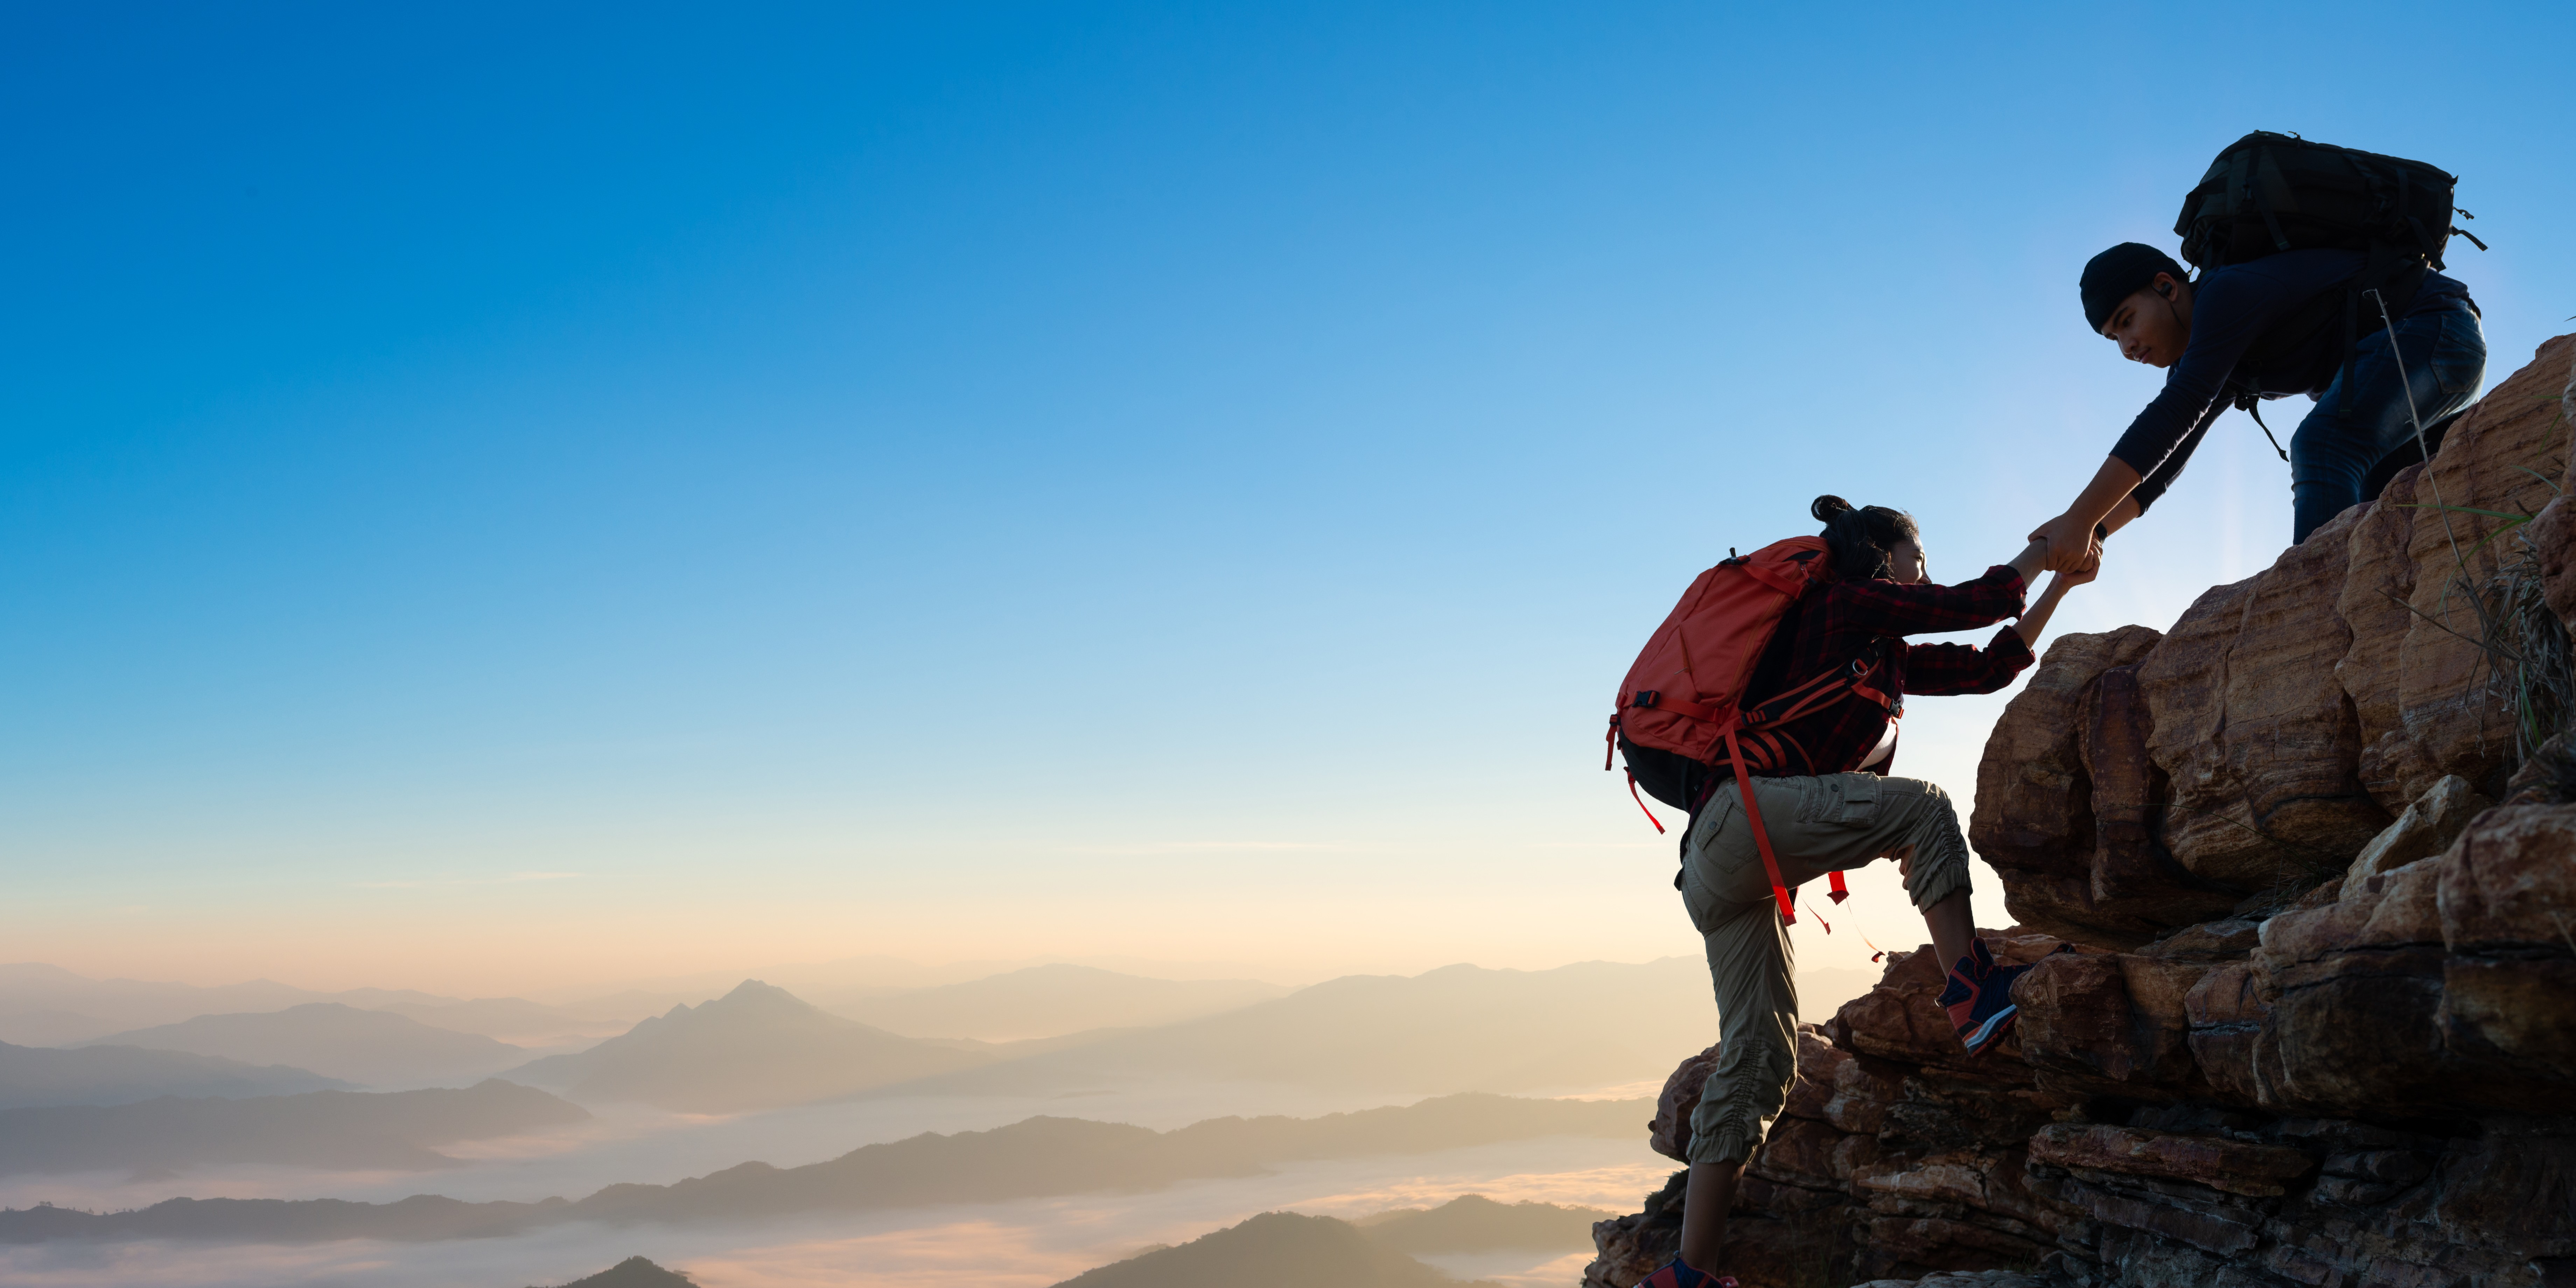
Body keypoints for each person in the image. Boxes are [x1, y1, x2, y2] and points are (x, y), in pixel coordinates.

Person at [1641, 496, 2093, 1288]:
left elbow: (1985, 665)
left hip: (1721, 861)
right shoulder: (1840, 603)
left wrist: (2059, 589)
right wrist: (2038, 551)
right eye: (1917, 560)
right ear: (1886, 560)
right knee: (1920, 808)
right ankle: (1974, 991)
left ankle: (1688, 1273)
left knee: (1757, 1060)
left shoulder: (1874, 652)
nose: (1924, 576)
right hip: (1742, 823)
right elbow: (1973, 600)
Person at [2028, 240, 2486, 567]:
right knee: (2389, 521)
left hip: (2435, 333)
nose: (2127, 346)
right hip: (2411, 373)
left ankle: (2308, 630)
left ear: (2167, 287)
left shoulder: (2226, 295)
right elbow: (2161, 470)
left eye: (2127, 322)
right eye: (2114, 339)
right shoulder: (2219, 350)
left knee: (2324, 446)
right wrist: (2095, 531)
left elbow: (2176, 410)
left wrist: (2080, 518)